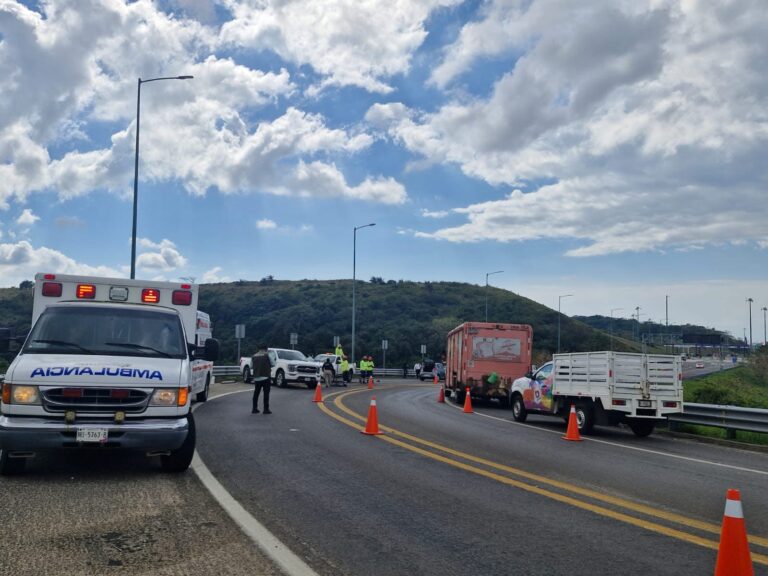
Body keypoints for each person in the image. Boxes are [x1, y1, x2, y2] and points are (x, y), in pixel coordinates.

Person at [251, 345, 273, 414]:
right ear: (266, 349)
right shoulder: (267, 355)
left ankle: (254, 409)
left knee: (256, 393)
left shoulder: (254, 356)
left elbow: (251, 366)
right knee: (266, 393)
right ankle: (266, 409)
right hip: (266, 376)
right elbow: (273, 364)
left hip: (257, 378)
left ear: (259, 349)